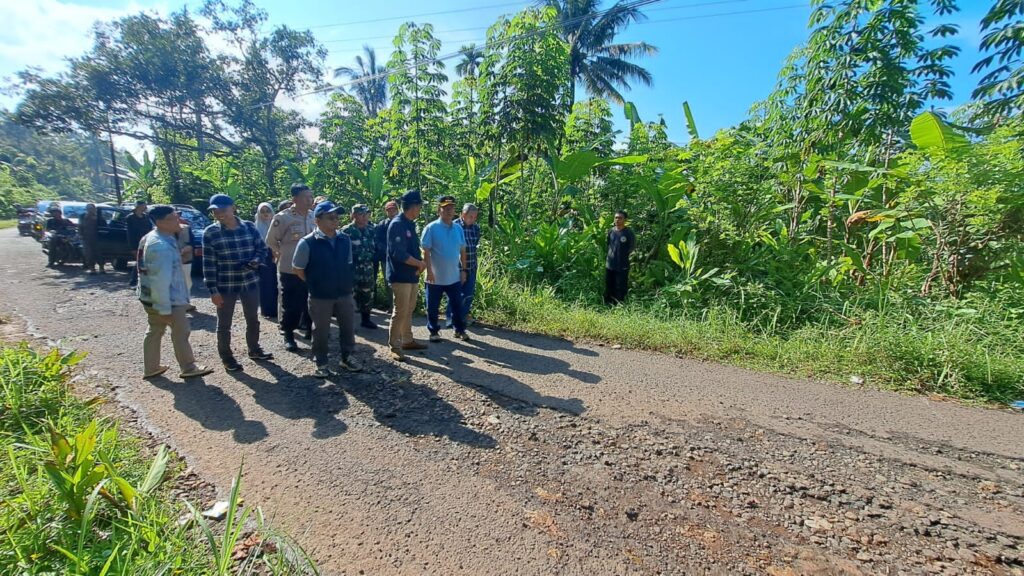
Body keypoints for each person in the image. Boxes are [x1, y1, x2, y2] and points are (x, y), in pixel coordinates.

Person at [137, 205, 213, 380]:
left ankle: (151, 367)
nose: (178, 220)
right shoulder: (160, 245)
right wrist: (164, 308)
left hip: (150, 297)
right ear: (161, 222)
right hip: (167, 299)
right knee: (181, 332)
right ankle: (188, 367)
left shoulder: (154, 238)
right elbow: (160, 279)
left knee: (154, 331)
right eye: (173, 218)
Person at [202, 193, 274, 372]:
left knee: (253, 318)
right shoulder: (211, 233)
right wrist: (213, 290)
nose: (220, 214)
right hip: (225, 285)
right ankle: (227, 358)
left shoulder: (249, 227)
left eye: (223, 210)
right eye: (215, 211)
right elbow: (208, 264)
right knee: (224, 324)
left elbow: (262, 248)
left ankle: (254, 349)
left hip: (249, 281)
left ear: (233, 208)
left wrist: (255, 261)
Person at [292, 202, 362, 378]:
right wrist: (316, 283)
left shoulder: (344, 239)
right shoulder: (307, 243)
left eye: (337, 216)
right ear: (317, 220)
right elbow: (298, 269)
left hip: (344, 293)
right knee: (321, 331)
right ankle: (321, 362)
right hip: (320, 296)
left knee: (348, 327)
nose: (335, 220)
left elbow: (348, 264)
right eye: (330, 217)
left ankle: (347, 357)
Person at [266, 183, 315, 352]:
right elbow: (271, 240)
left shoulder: (313, 216)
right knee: (291, 304)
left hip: (310, 268)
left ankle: (310, 330)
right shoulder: (283, 217)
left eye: (311, 196)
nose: (310, 200)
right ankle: (288, 335)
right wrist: (283, 253)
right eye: (306, 197)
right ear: (295, 199)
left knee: (311, 301)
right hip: (290, 269)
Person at [386, 190, 428, 361]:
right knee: (400, 311)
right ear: (413, 207)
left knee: (409, 309)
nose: (420, 210)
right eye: (419, 206)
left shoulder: (410, 224)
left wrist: (420, 264)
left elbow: (412, 248)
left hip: (412, 275)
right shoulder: (397, 224)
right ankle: (394, 346)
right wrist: (419, 263)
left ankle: (407, 340)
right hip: (400, 276)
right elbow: (399, 253)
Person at [421, 195, 469, 342]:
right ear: (439, 210)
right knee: (433, 307)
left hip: (453, 276)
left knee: (457, 305)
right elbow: (426, 251)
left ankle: (459, 330)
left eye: (451, 208)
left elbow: (462, 251)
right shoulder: (431, 228)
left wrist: (464, 270)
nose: (449, 211)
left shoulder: (458, 228)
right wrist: (429, 271)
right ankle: (433, 331)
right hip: (435, 277)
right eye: (446, 208)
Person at [342, 204, 378, 330]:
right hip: (352, 268)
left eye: (366, 214)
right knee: (350, 295)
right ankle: (348, 322)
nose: (365, 217)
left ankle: (366, 319)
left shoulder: (371, 229)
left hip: (367, 267)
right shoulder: (346, 231)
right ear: (354, 215)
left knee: (367, 293)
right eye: (362, 214)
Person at [447, 203, 480, 328]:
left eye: (475, 217)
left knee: (468, 294)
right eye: (470, 216)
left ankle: (463, 316)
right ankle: (451, 318)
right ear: (463, 214)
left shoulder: (475, 228)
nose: (473, 219)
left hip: (471, 266)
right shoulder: (453, 227)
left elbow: (474, 243)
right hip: (456, 268)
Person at [604, 210, 635, 305]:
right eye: (616, 217)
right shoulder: (611, 231)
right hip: (610, 264)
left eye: (620, 218)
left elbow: (631, 248)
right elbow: (609, 244)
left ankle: (619, 305)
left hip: (622, 265)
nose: (617, 220)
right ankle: (608, 304)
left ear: (625, 220)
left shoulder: (628, 233)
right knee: (609, 285)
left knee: (620, 286)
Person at [253, 202, 278, 320]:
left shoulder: (277, 224)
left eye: (267, 211)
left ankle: (279, 309)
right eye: (262, 212)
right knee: (266, 284)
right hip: (263, 258)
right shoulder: (255, 227)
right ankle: (268, 310)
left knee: (277, 283)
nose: (265, 214)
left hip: (277, 256)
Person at [374, 200, 400, 311]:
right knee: (389, 282)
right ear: (386, 211)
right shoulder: (382, 225)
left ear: (398, 210)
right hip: (386, 258)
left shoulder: (403, 223)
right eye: (389, 210)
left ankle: (402, 305)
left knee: (401, 282)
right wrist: (387, 250)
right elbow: (377, 240)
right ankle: (392, 306)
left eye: (393, 209)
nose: (392, 212)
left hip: (402, 258)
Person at [127, 201, 153, 287]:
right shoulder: (130, 218)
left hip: (147, 242)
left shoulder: (146, 217)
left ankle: (144, 281)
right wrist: (132, 247)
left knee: (146, 261)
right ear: (138, 206)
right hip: (136, 243)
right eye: (143, 206)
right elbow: (130, 234)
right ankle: (133, 281)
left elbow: (150, 229)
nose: (145, 207)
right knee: (140, 261)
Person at [79, 203, 105, 274]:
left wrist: (96, 219)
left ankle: (101, 267)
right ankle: (92, 268)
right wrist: (80, 235)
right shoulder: (83, 216)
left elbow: (104, 225)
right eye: (89, 208)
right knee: (89, 254)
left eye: (92, 208)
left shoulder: (98, 216)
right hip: (86, 238)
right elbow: (80, 226)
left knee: (99, 253)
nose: (90, 210)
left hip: (97, 238)